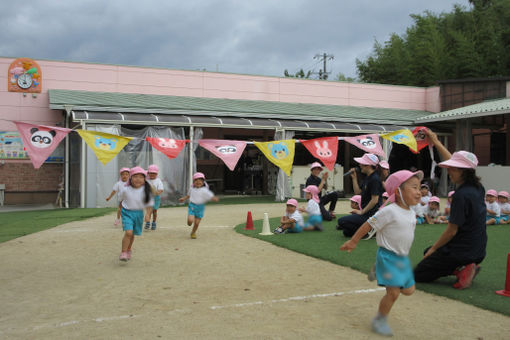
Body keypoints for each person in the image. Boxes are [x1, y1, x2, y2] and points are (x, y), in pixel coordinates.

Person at [340, 169, 423, 336]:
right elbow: (368, 225)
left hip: (402, 258)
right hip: (388, 257)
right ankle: (380, 320)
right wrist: (353, 241)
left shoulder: (412, 212)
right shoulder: (389, 211)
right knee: (393, 293)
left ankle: (377, 269)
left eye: (419, 187)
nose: (419, 192)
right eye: (414, 187)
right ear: (398, 192)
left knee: (409, 290)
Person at [414, 130, 487, 290]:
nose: (449, 171)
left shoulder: (461, 195)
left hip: (463, 251)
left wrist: (434, 249)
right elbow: (454, 161)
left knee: (417, 274)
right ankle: (466, 266)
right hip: (478, 249)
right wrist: (436, 141)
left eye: (453, 169)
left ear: (463, 171)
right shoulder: (477, 187)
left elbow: (451, 231)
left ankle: (462, 268)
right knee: (428, 251)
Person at [337, 153, 384, 237]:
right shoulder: (368, 177)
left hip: (371, 216)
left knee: (341, 221)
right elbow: (357, 192)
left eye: (362, 163)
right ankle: (368, 230)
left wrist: (362, 211)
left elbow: (375, 200)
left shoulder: (375, 179)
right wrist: (354, 178)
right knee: (346, 232)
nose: (359, 165)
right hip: (366, 214)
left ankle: (370, 230)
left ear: (368, 165)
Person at [118, 166, 154, 262]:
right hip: (127, 213)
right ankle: (123, 252)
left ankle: (129, 249)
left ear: (144, 179)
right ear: (131, 178)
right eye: (135, 176)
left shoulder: (146, 191)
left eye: (141, 177)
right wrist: (120, 208)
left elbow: (149, 205)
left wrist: (147, 215)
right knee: (128, 232)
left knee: (132, 234)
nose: (138, 179)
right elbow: (120, 199)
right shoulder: (125, 189)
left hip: (138, 214)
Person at [178, 172, 219, 239]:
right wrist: (183, 198)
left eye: (200, 180)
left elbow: (210, 196)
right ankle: (189, 222)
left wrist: (214, 198)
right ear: (193, 182)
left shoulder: (204, 190)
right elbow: (188, 195)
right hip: (192, 206)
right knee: (190, 221)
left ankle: (193, 232)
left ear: (203, 182)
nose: (198, 181)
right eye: (196, 180)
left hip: (200, 207)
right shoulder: (191, 189)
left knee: (197, 223)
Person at [145, 164, 164, 231]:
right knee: (148, 211)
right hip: (149, 198)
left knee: (154, 211)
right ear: (148, 173)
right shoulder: (146, 180)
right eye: (151, 173)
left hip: (156, 198)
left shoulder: (158, 180)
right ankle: (147, 222)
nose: (152, 175)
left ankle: (154, 222)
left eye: (154, 173)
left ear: (156, 174)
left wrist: (157, 192)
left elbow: (161, 189)